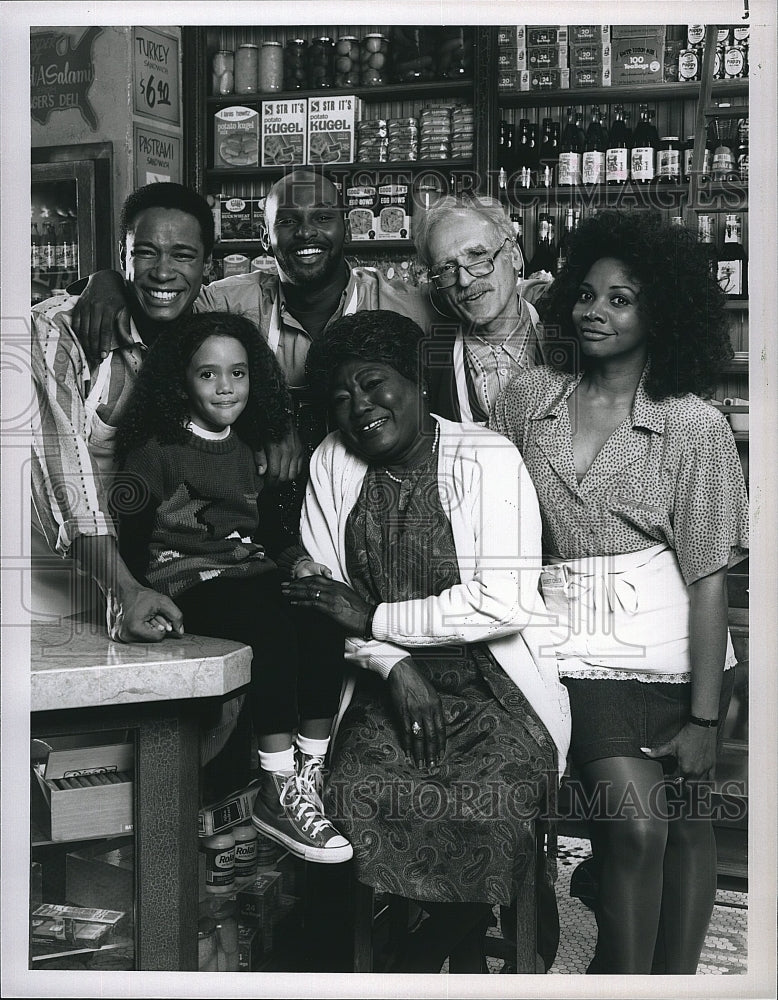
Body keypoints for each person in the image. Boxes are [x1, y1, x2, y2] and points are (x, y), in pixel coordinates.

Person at [490, 210, 749, 975]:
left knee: (688, 825)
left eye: (622, 298)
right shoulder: (527, 402)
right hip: (579, 653)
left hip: (687, 656)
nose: (597, 311)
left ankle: (675, 985)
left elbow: (708, 580)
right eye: (589, 295)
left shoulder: (693, 425)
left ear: (659, 311)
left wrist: (706, 717)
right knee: (637, 828)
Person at [281, 309, 571, 972]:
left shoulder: (487, 456)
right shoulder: (332, 460)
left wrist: (377, 620)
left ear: (415, 380)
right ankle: (460, 952)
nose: (359, 407)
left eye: (374, 384)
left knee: (500, 797)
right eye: (341, 396)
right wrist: (395, 664)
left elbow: (501, 605)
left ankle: (404, 969)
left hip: (494, 688)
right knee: (356, 791)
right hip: (383, 687)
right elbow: (328, 602)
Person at [114, 311, 351, 863]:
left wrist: (298, 563)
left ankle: (308, 776)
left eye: (238, 373)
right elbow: (129, 535)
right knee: (267, 624)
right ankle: (275, 783)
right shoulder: (155, 450)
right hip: (188, 581)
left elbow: (266, 530)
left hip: (248, 573)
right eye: (208, 375)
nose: (225, 386)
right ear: (181, 382)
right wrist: (129, 598)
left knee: (319, 612)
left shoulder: (247, 448)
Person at [31, 181, 226, 640]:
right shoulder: (56, 330)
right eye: (145, 253)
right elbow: (64, 473)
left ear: (206, 267)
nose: (163, 272)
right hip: (43, 585)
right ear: (122, 256)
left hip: (146, 583)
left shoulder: (204, 330)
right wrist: (121, 590)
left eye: (182, 255)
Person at [412, 195, 551, 423]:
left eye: (477, 256)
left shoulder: (566, 337)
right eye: (447, 268)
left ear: (514, 256)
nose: (464, 280)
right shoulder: (429, 360)